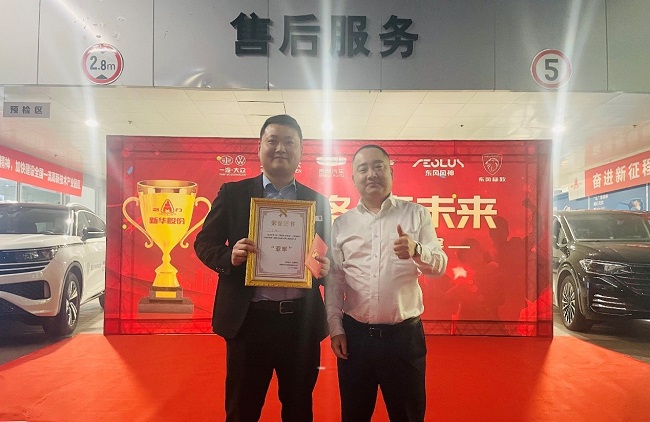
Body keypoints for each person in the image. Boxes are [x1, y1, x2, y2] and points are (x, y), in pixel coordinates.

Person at [194, 114, 332, 422]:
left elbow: (328, 255)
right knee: (242, 409)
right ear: (259, 147)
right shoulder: (233, 194)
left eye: (289, 142)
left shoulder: (317, 201)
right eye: (273, 141)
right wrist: (229, 256)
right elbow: (204, 243)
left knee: (299, 408)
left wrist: (325, 267)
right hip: (249, 322)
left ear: (301, 150)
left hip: (300, 324)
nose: (280, 148)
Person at [326, 144, 448, 422]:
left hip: (403, 339)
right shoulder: (342, 224)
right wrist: (335, 328)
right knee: (354, 416)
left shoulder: (416, 214)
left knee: (408, 416)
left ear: (391, 172)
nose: (371, 174)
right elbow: (335, 280)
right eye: (363, 168)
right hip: (356, 339)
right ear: (354, 178)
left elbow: (439, 266)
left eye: (378, 166)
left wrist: (417, 251)